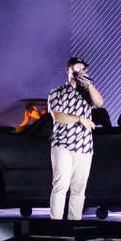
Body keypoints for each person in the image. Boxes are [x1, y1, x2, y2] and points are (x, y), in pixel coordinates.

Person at [46, 57, 103, 220]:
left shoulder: (86, 92)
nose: (81, 70)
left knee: (79, 188)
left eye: (83, 68)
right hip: (62, 143)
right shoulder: (56, 92)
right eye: (77, 67)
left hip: (84, 146)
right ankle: (56, 223)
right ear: (68, 70)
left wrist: (89, 84)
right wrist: (79, 119)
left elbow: (99, 102)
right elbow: (57, 117)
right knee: (61, 185)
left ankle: (74, 222)